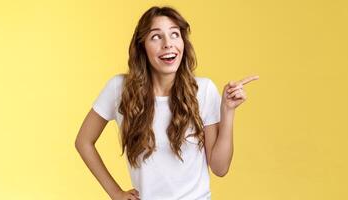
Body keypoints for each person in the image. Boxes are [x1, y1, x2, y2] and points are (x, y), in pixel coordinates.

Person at [75, 6, 258, 200]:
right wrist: (115, 193)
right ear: (142, 46)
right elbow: (83, 142)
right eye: (156, 37)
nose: (168, 44)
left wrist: (228, 111)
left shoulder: (203, 90)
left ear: (183, 43)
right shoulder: (120, 89)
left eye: (174, 34)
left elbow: (220, 168)